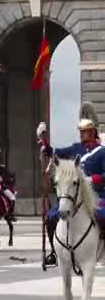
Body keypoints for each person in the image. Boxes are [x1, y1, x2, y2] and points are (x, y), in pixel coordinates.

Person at [40, 101, 105, 266]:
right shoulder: (76, 148)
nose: (81, 135)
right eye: (81, 132)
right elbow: (56, 152)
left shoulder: (102, 152)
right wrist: (44, 143)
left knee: (104, 216)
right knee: (51, 217)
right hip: (76, 195)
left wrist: (93, 179)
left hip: (97, 195)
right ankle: (54, 253)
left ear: (92, 132)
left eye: (84, 132)